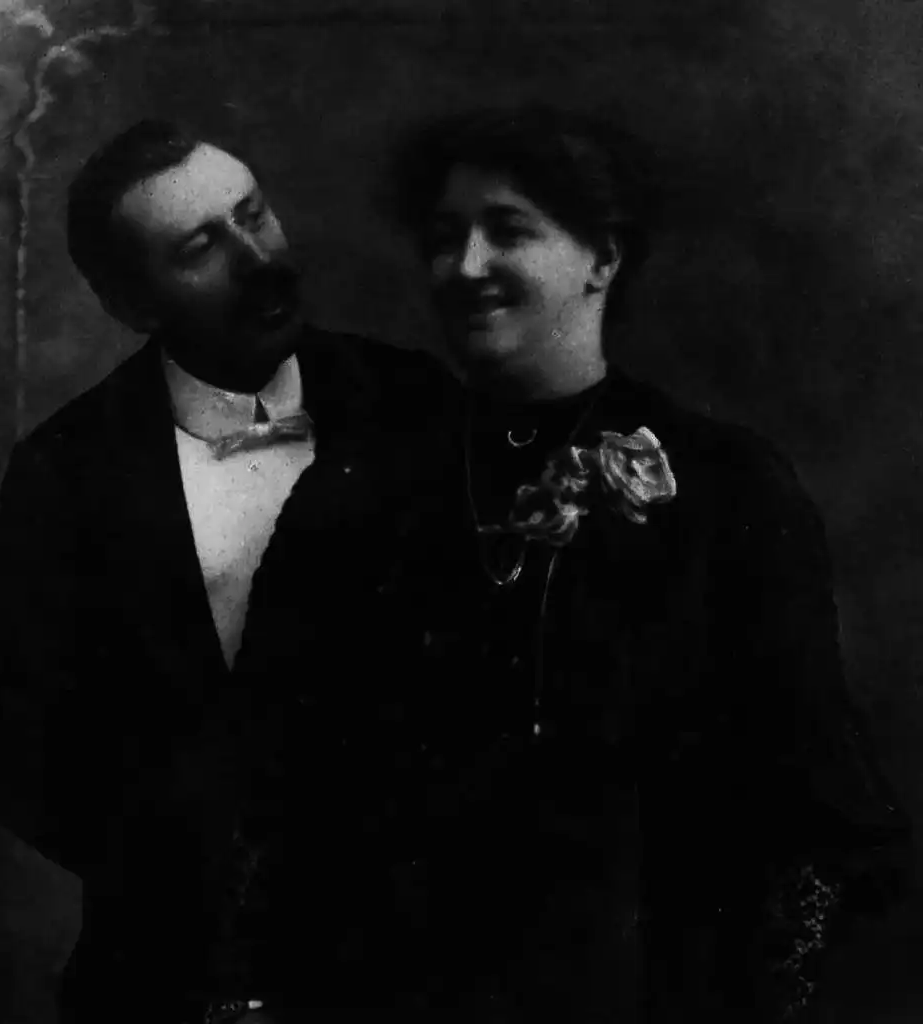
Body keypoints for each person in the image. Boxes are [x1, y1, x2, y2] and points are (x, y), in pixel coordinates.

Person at [344, 105, 907, 1020]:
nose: (467, 266)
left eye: (508, 231)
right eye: (445, 239)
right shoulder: (375, 489)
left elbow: (816, 801)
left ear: (602, 258)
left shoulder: (727, 484)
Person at [0, 119, 449, 1024]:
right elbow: (12, 749)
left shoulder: (415, 402)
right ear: (133, 303)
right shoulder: (68, 468)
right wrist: (184, 872)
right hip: (171, 978)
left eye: (253, 215)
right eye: (200, 248)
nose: (257, 260)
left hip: (401, 968)